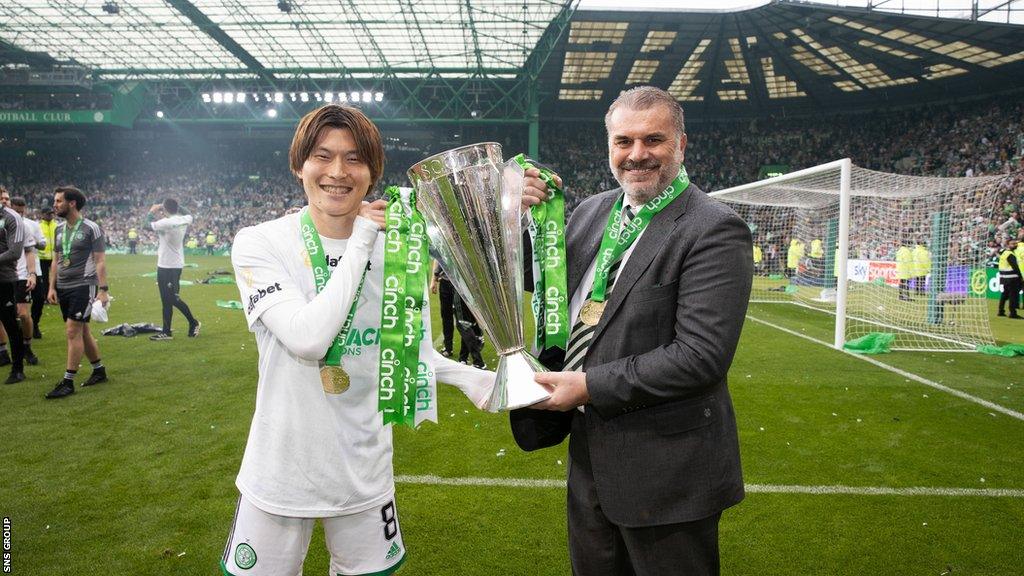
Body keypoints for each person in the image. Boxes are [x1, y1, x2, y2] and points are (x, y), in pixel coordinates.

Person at [222, 104, 491, 576]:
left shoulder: (399, 252)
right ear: (298, 165)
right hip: (281, 470)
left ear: (372, 172)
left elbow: (408, 352)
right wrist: (363, 239)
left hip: (364, 470)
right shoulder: (260, 242)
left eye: (354, 159)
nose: (338, 173)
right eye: (323, 156)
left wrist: (475, 379)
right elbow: (308, 340)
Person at [511, 86, 753, 575]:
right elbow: (541, 284)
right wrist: (512, 218)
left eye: (653, 140)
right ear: (609, 148)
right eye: (624, 142)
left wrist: (587, 386)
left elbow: (700, 356)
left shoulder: (713, 228)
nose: (636, 154)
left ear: (681, 146)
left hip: (668, 472)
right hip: (591, 461)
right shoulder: (589, 212)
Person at [44, 186, 109, 399]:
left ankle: (68, 381)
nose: (55, 205)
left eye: (59, 201)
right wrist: (52, 287)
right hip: (63, 286)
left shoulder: (92, 228)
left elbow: (100, 261)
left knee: (72, 330)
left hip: (84, 285)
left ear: (72, 203)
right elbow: (56, 260)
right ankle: (99, 370)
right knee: (82, 330)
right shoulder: (59, 230)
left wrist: (103, 290)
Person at [146, 198, 201, 340]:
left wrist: (152, 212)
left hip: (170, 266)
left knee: (173, 299)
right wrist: (176, 206)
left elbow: (146, 225)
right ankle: (166, 332)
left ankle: (193, 322)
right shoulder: (184, 219)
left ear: (164, 210)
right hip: (167, 264)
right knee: (166, 300)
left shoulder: (166, 222)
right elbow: (189, 213)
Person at [10, 197, 42, 365]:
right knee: (7, 316)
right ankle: (8, 350)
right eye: (17, 211)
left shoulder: (25, 227)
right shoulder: (3, 224)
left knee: (23, 314)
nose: (20, 214)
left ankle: (27, 346)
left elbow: (29, 251)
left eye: (22, 211)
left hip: (21, 275)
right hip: (4, 276)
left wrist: (32, 273)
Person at [0, 186, 27, 384]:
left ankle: (18, 368)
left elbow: (15, 252)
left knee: (10, 324)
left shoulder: (12, 218)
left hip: (4, 280)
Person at [32, 206, 56, 339]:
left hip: (53, 257)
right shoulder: (38, 225)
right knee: (45, 280)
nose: (50, 215)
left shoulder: (56, 225)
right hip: (41, 257)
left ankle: (52, 296)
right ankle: (46, 297)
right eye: (48, 214)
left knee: (54, 278)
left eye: (52, 213)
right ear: (42, 215)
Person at [429, 259, 455, 357]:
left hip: (459, 283)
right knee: (446, 316)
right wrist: (434, 280)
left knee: (463, 321)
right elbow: (437, 258)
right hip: (445, 282)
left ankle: (466, 356)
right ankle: (448, 348)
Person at [997, 238, 1022, 319]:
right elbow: (1015, 267)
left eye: (1015, 243)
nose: (1015, 245)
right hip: (1012, 277)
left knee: (1004, 295)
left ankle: (1001, 311)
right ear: (1008, 245)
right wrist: (1021, 277)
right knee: (1013, 295)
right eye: (1012, 244)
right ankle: (1013, 313)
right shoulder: (1010, 254)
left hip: (1004, 277)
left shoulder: (1004, 253)